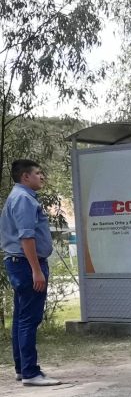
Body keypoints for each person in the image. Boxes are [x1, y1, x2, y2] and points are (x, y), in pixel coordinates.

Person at [0, 159, 61, 386]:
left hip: (19, 263)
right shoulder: (24, 199)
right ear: (26, 177)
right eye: (38, 173)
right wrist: (36, 270)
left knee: (20, 319)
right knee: (29, 319)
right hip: (26, 264)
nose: (42, 176)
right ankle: (30, 373)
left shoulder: (17, 197)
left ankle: (22, 368)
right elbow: (27, 237)